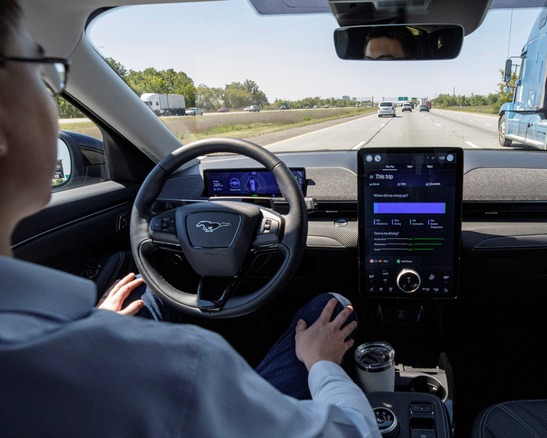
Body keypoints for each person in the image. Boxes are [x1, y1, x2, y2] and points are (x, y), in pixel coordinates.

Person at [0, 1, 379, 436]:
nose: (52, 93)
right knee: (329, 305)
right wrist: (323, 367)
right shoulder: (186, 370)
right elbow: (354, 431)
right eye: (45, 76)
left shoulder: (65, 352)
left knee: (149, 294)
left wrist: (96, 329)